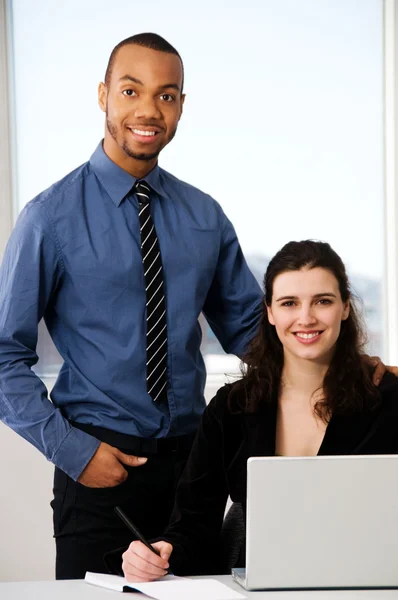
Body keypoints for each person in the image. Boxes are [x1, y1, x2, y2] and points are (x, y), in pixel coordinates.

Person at [0, 33, 263, 579]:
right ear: (103, 95)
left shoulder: (204, 216)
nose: (148, 109)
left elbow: (254, 334)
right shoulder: (49, 218)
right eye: (130, 90)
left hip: (191, 471)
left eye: (167, 96)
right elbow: (4, 356)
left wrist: (355, 372)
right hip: (98, 467)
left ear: (182, 107)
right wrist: (74, 452)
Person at [120, 240, 398, 581]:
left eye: (322, 301)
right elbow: (192, 523)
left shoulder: (389, 399)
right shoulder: (231, 409)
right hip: (263, 585)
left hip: (374, 583)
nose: (305, 318)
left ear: (344, 307)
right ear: (269, 311)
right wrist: (161, 551)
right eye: (289, 303)